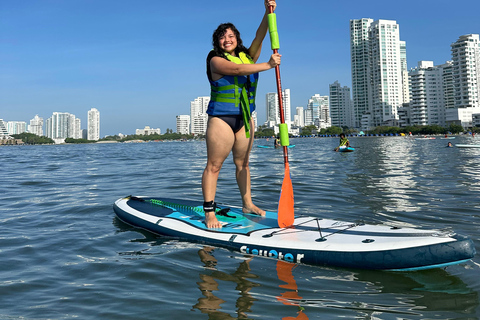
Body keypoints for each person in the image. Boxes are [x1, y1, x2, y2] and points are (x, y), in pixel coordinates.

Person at [202, 0, 281, 228]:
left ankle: (247, 204)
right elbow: (236, 70)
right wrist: (268, 65)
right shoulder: (215, 59)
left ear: (237, 38)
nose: (227, 40)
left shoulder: (247, 56)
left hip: (245, 119)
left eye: (231, 36)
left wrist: (268, 13)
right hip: (221, 120)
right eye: (222, 37)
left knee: (243, 164)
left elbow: (260, 35)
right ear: (217, 42)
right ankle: (209, 212)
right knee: (214, 166)